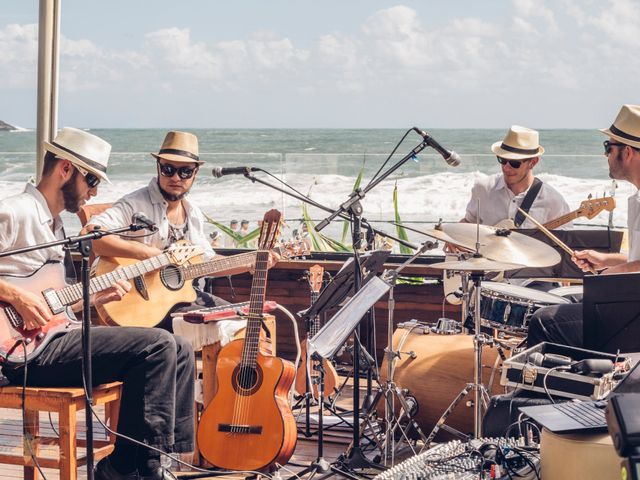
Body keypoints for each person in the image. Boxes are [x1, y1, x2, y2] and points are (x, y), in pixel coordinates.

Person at [0, 127, 191, 480]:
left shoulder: (55, 225)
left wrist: (91, 299)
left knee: (179, 346)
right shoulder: (15, 211)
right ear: (66, 169)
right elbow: (25, 301)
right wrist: (15, 296)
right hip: (20, 354)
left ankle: (151, 461)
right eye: (91, 179)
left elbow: (49, 304)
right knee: (157, 345)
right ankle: (130, 469)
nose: (95, 191)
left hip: (50, 337)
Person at [85, 131, 273, 330]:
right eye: (168, 169)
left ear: (195, 174)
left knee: (247, 324)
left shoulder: (192, 213)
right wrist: (148, 254)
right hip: (141, 307)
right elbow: (90, 236)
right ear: (158, 167)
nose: (176, 177)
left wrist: (251, 262)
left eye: (184, 172)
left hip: (181, 300)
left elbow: (207, 262)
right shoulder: (135, 205)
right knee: (227, 326)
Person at [527, 105, 640, 348]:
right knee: (566, 304)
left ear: (628, 152)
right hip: (631, 300)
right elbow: (637, 261)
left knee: (545, 322)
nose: (606, 155)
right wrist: (605, 260)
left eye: (608, 148)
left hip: (634, 311)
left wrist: (610, 278)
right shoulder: (636, 198)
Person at [462, 125, 571, 229]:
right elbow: (467, 223)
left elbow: (566, 241)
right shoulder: (483, 188)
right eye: (502, 160)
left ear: (533, 162)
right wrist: (454, 238)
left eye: (514, 163)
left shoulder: (553, 200)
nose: (506, 168)